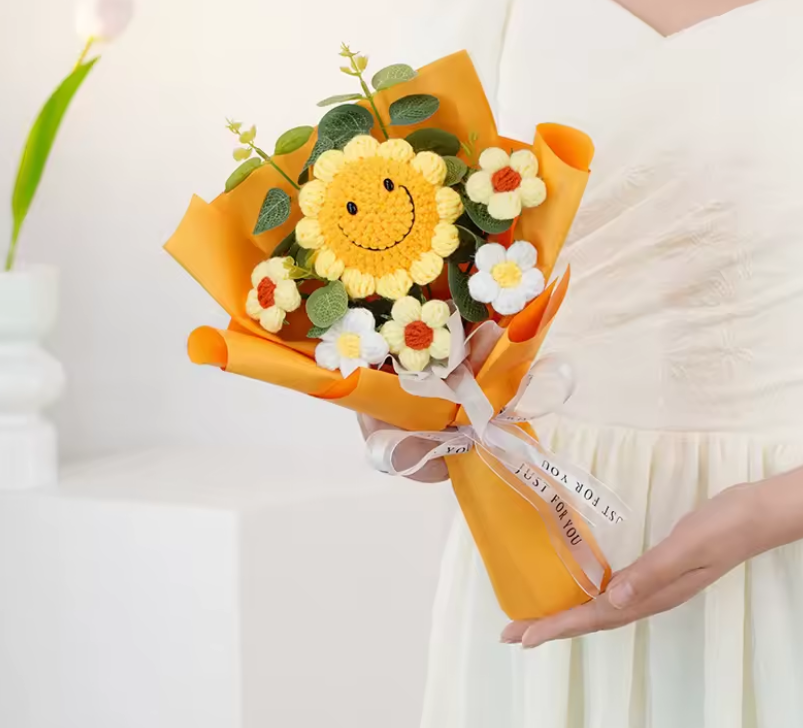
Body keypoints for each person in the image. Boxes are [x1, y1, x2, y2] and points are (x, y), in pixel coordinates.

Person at [417, 1, 803, 726]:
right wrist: (407, 403)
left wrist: (768, 511)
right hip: (536, 527)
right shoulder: (492, 14)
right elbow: (427, 260)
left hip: (781, 547)